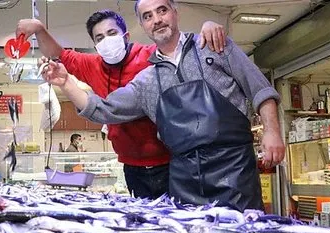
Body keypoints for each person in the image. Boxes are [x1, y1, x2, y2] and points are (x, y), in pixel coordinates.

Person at [41, 0, 285, 212]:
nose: (156, 20)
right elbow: (105, 109)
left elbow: (260, 89)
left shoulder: (215, 45)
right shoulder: (148, 79)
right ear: (143, 25)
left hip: (235, 170)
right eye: (148, 16)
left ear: (175, 13)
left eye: (162, 10)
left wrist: (272, 131)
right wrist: (66, 83)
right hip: (184, 180)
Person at [17, 11, 225, 199]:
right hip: (132, 167)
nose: (106, 40)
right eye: (99, 38)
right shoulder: (92, 65)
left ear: (126, 36)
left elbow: (180, 47)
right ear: (95, 45)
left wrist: (206, 28)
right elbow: (58, 54)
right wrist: (39, 29)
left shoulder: (151, 57)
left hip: (172, 161)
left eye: (111, 33)